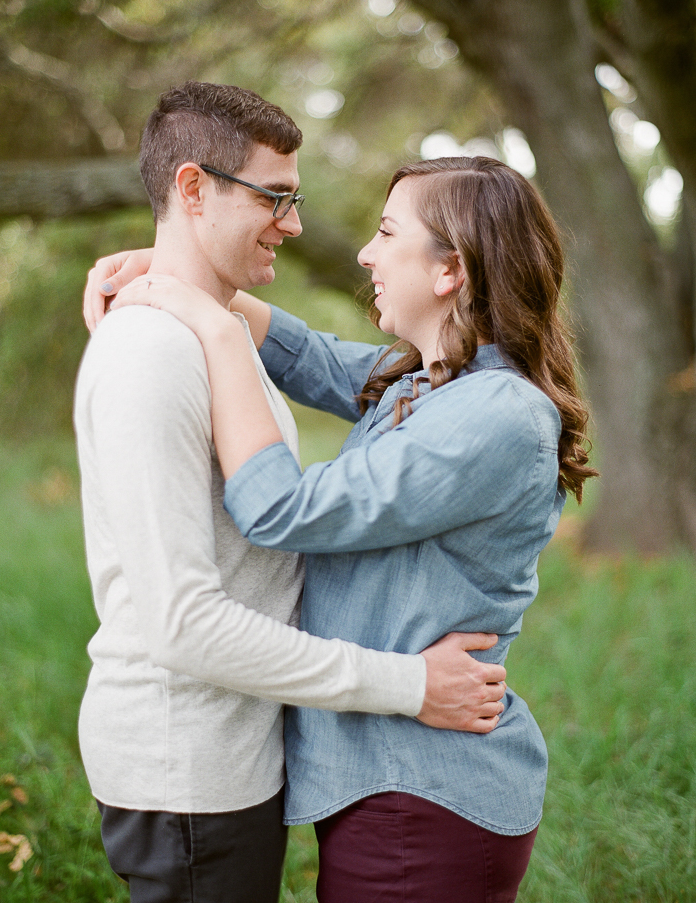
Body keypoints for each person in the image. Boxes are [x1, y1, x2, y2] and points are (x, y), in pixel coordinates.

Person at [97, 152, 598, 902]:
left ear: (448, 270)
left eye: (387, 232)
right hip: (393, 778)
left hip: (424, 794)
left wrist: (214, 326)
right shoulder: (434, 383)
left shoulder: (493, 414)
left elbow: (280, 511)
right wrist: (188, 277)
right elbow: (323, 361)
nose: (365, 252)